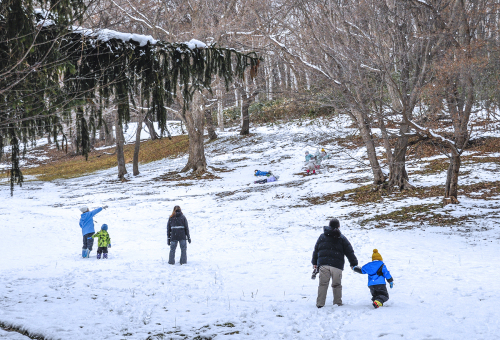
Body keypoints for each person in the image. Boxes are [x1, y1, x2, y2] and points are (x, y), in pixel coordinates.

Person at [311, 218, 358, 308]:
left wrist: (314, 262)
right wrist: (353, 263)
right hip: (337, 265)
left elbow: (316, 250)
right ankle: (337, 303)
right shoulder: (342, 238)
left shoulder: (322, 236)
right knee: (336, 285)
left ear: (329, 225)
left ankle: (320, 303)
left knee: (323, 284)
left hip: (323, 265)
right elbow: (349, 252)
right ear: (338, 226)